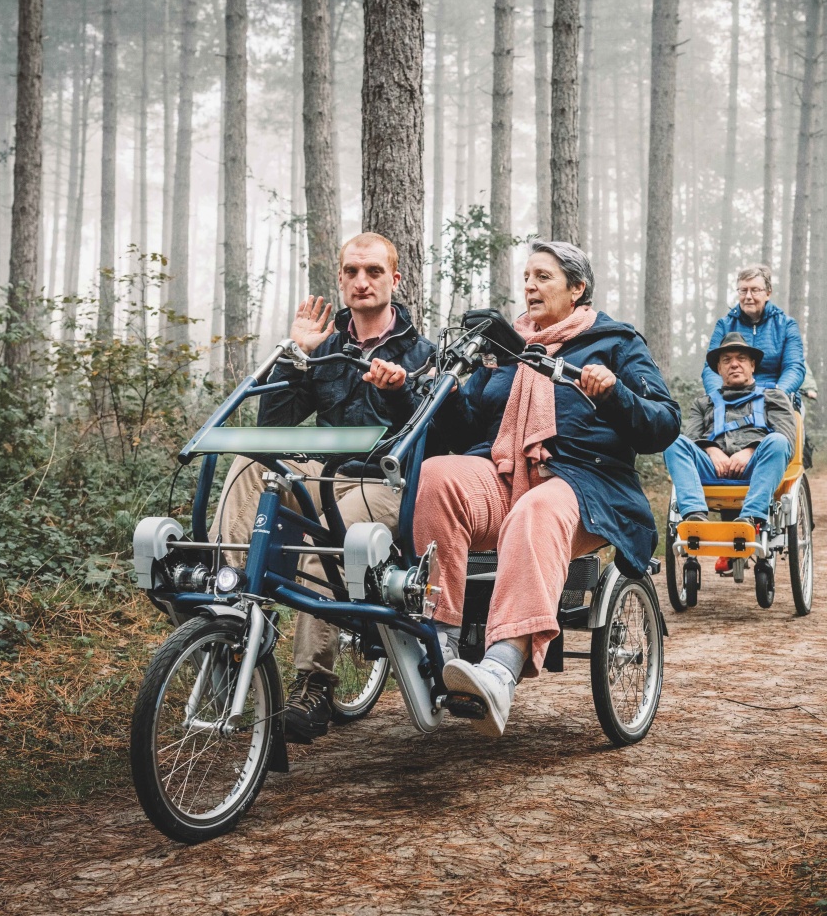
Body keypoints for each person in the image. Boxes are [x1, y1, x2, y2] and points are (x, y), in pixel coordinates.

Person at [413, 241, 680, 737]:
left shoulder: (616, 342)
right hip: (502, 476)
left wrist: (614, 394)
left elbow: (663, 424)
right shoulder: (505, 348)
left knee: (536, 510)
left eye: (543, 277)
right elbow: (465, 430)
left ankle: (499, 670)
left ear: (577, 289)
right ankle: (440, 643)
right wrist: (445, 392)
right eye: (526, 277)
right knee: (439, 475)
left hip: (586, 483)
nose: (530, 287)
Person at [211, 232, 435, 744]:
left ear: (395, 279)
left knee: (326, 544)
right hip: (328, 475)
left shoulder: (423, 354)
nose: (362, 281)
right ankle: (232, 617)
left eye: (374, 271)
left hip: (388, 482)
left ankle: (313, 685)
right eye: (352, 271)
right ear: (340, 278)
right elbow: (273, 428)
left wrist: (399, 389)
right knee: (250, 463)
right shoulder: (326, 347)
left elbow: (435, 432)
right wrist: (296, 355)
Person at [663, 332, 798, 571]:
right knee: (674, 442)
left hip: (758, 467)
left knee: (777, 441)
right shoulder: (703, 403)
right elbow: (691, 438)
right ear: (718, 368)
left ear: (752, 365)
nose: (734, 364)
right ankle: (695, 516)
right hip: (712, 468)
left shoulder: (774, 397)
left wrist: (750, 450)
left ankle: (750, 518)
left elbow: (787, 438)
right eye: (727, 360)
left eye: (741, 358)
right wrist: (711, 450)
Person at [702, 265, 806, 402]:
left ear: (768, 293)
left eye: (755, 290)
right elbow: (711, 368)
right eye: (743, 290)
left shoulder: (786, 325)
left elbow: (794, 367)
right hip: (732, 398)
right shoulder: (724, 325)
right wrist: (718, 397)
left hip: (776, 397)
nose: (748, 296)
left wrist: (778, 395)